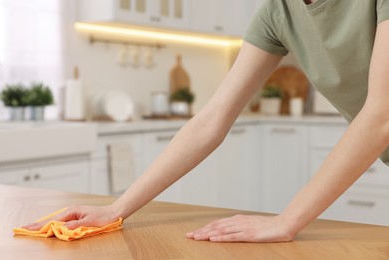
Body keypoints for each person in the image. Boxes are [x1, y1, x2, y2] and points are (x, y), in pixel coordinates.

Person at [24, 0, 389, 243]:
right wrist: (115, 208)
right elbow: (211, 120)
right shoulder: (279, 12)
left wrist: (286, 220)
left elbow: (381, 114)